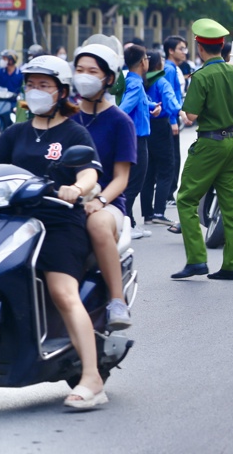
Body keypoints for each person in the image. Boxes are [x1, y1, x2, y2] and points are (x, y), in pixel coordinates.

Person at [0, 55, 107, 409]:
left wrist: (77, 188)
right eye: (31, 84)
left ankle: (92, 376)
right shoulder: (16, 132)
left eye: (44, 85)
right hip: (14, 219)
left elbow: (89, 172)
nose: (36, 91)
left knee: (63, 291)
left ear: (62, 91)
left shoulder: (74, 133)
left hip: (59, 221)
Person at [172, 19, 233, 281]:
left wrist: (179, 108)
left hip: (210, 144)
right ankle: (232, 264)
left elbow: (191, 116)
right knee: (231, 206)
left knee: (186, 199)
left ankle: (197, 259)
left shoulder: (202, 76)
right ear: (221, 45)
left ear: (200, 47)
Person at [71, 43, 137, 330]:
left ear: (108, 78)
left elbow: (121, 178)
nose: (84, 76)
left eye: (92, 71)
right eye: (80, 70)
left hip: (108, 204)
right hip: (64, 199)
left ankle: (115, 299)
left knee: (97, 224)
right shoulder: (64, 115)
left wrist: (100, 202)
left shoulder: (120, 121)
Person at [120, 44, 161, 237]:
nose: (148, 61)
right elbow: (123, 110)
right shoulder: (135, 84)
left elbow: (142, 101)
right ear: (142, 62)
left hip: (137, 138)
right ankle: (123, 226)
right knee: (134, 183)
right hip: (136, 139)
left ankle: (131, 223)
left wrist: (153, 106)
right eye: (146, 58)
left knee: (133, 182)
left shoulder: (133, 81)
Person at [141, 50, 181, 228]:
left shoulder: (139, 80)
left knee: (148, 171)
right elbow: (172, 103)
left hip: (144, 127)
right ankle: (159, 212)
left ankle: (147, 214)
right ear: (158, 64)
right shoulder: (161, 80)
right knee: (166, 169)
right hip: (161, 126)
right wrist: (182, 113)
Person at [163, 36, 187, 202]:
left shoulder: (173, 68)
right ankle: (168, 193)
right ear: (171, 51)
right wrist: (173, 120)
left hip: (175, 115)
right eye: (181, 48)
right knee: (172, 157)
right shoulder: (169, 69)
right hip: (171, 117)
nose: (184, 52)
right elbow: (168, 95)